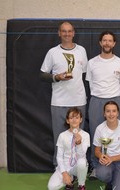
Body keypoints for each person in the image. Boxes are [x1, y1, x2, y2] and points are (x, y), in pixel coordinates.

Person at [40, 21, 88, 166]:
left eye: (69, 31)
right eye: (64, 31)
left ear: (74, 33)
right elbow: (42, 75)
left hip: (78, 101)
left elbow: (84, 73)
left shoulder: (81, 51)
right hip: (59, 103)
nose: (67, 34)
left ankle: (78, 168)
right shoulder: (52, 52)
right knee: (60, 139)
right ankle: (60, 168)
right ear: (59, 33)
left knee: (78, 138)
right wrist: (57, 77)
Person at [86, 31, 120, 176]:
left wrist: (116, 99)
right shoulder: (91, 63)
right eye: (104, 40)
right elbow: (90, 84)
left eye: (110, 41)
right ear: (100, 43)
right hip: (96, 100)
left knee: (116, 134)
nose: (107, 43)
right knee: (95, 133)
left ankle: (117, 164)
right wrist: (99, 97)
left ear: (114, 43)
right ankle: (95, 166)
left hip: (115, 99)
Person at [93, 101, 120, 190]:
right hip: (106, 162)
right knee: (101, 174)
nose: (111, 114)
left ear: (118, 113)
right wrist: (101, 156)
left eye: (114, 111)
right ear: (104, 114)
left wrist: (112, 158)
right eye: (108, 111)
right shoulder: (99, 129)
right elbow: (96, 151)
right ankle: (110, 181)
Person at [47, 107, 90, 190]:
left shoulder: (85, 135)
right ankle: (70, 180)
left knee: (82, 162)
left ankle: (81, 185)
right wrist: (64, 173)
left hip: (78, 166)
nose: (74, 120)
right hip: (65, 166)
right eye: (71, 118)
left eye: (77, 117)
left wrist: (79, 143)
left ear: (81, 120)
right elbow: (59, 157)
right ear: (67, 120)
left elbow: (82, 156)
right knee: (51, 187)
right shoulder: (62, 135)